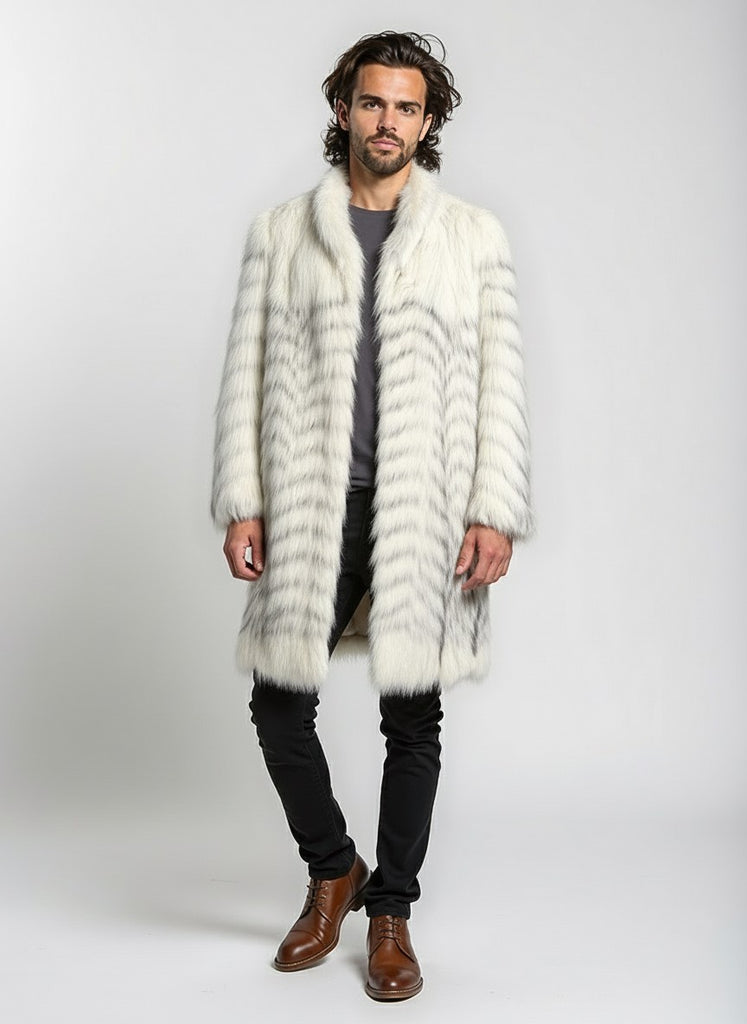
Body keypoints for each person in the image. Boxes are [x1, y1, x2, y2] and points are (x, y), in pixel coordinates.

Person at [210, 29, 535, 1001]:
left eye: (406, 106)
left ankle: (391, 913)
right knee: (279, 702)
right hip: (312, 503)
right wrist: (242, 499)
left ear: (427, 122)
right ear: (342, 109)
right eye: (371, 102)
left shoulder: (471, 237)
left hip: (427, 508)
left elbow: (502, 383)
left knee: (412, 713)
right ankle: (333, 869)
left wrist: (493, 510)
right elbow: (243, 374)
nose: (387, 121)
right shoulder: (281, 232)